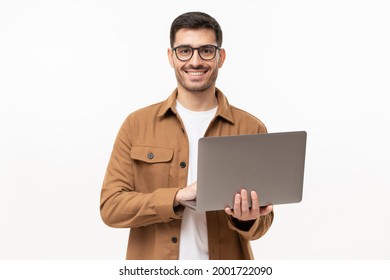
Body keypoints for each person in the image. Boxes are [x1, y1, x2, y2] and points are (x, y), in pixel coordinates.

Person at [100, 11, 274, 260]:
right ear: (171, 57)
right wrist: (177, 197)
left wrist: (246, 219)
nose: (195, 61)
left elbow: (264, 222)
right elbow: (111, 208)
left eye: (206, 50)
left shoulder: (250, 127)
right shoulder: (136, 124)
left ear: (220, 57)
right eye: (184, 50)